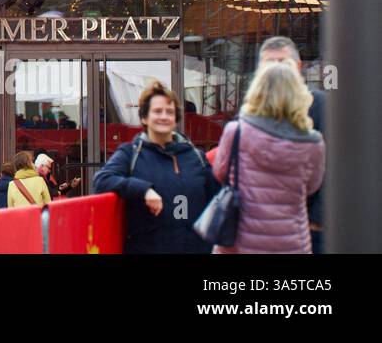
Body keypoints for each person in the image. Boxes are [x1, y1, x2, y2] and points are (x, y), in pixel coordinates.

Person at [212, 60, 324, 254]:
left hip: (242, 239)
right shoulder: (313, 142)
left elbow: (220, 172)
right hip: (292, 241)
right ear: (298, 94)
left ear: (257, 91)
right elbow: (313, 185)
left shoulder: (236, 131)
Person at [92, 80, 216, 253]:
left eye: (169, 112)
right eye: (157, 111)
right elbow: (102, 180)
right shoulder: (130, 154)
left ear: (176, 118)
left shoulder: (196, 157)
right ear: (144, 117)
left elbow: (217, 196)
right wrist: (143, 189)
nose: (164, 116)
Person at [259, 35, 326, 253]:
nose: (276, 70)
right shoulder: (254, 112)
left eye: (282, 63)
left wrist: (317, 221)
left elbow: (337, 166)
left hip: (309, 229)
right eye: (269, 64)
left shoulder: (321, 106)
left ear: (298, 67)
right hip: (266, 229)